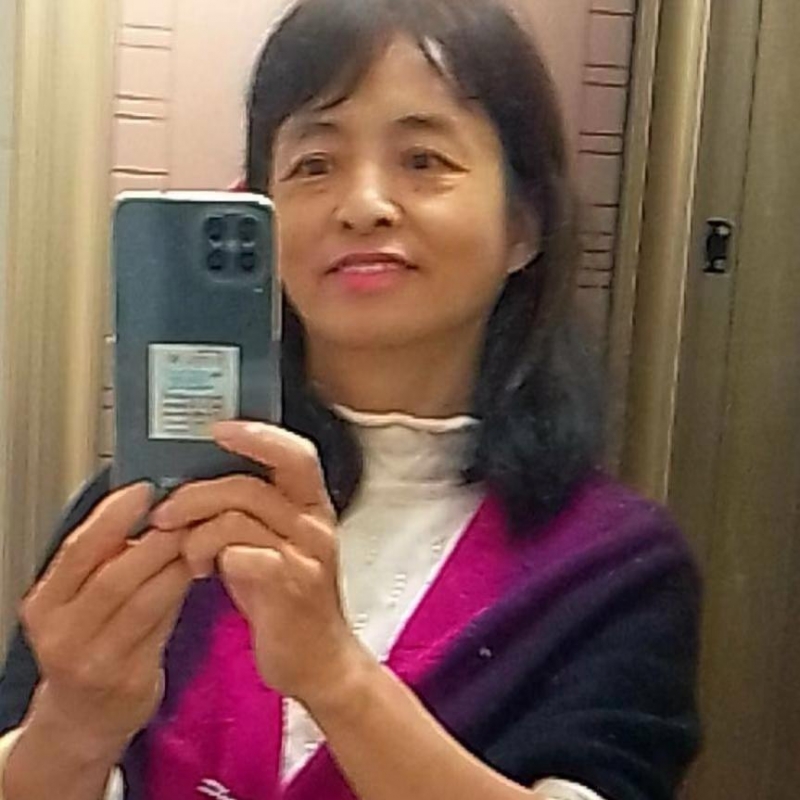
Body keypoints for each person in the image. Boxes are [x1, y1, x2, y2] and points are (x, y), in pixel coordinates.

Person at [0, 0, 702, 798]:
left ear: (524, 225)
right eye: (314, 164)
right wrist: (73, 726)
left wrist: (336, 676)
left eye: (423, 159)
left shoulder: (614, 567)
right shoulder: (148, 515)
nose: (363, 204)